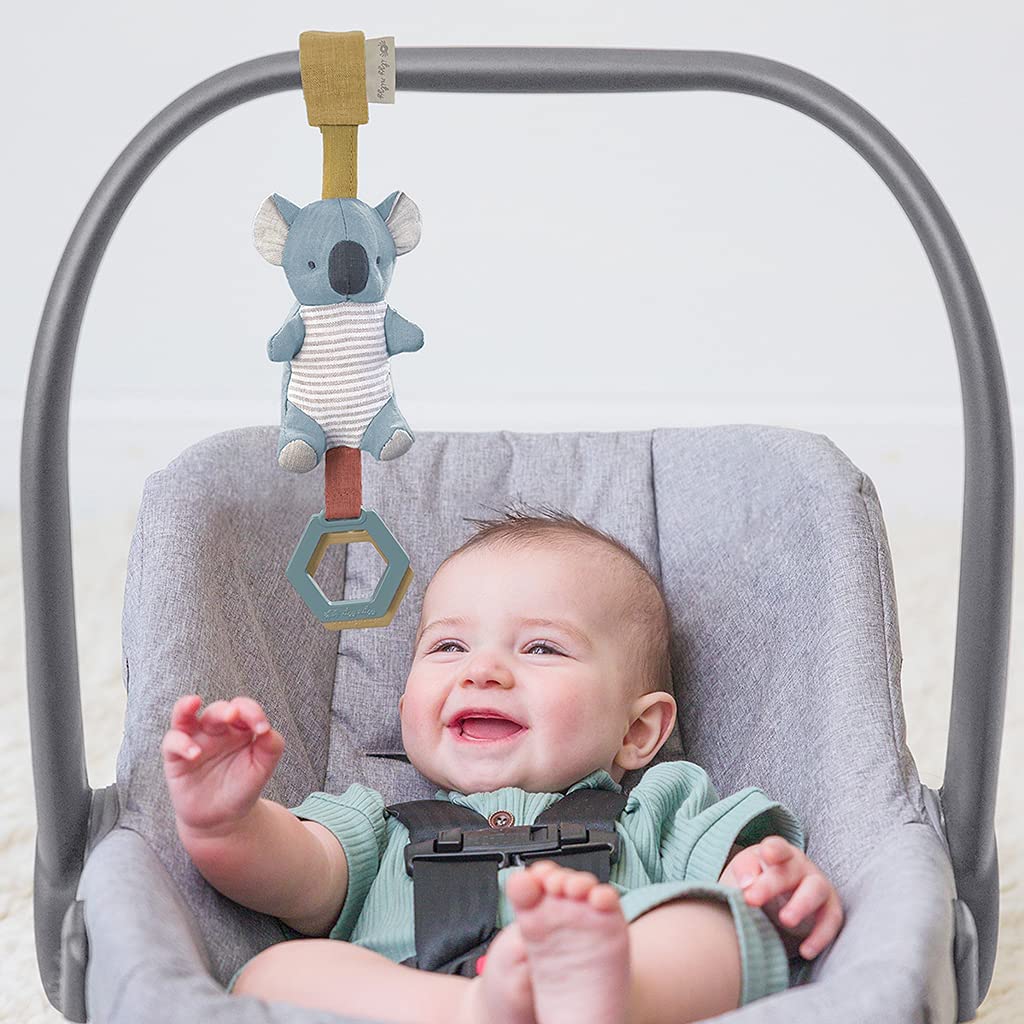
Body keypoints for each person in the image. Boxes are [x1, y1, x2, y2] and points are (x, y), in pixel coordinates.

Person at [162, 508, 844, 1024]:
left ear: (637, 731)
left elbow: (737, 874)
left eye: (541, 648)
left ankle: (607, 997)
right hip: (421, 1002)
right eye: (449, 647)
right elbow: (292, 874)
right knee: (276, 970)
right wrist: (228, 823)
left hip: (616, 981)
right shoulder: (374, 823)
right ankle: (475, 1010)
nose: (482, 671)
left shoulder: (659, 802)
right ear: (405, 708)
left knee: (717, 925)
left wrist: (765, 883)